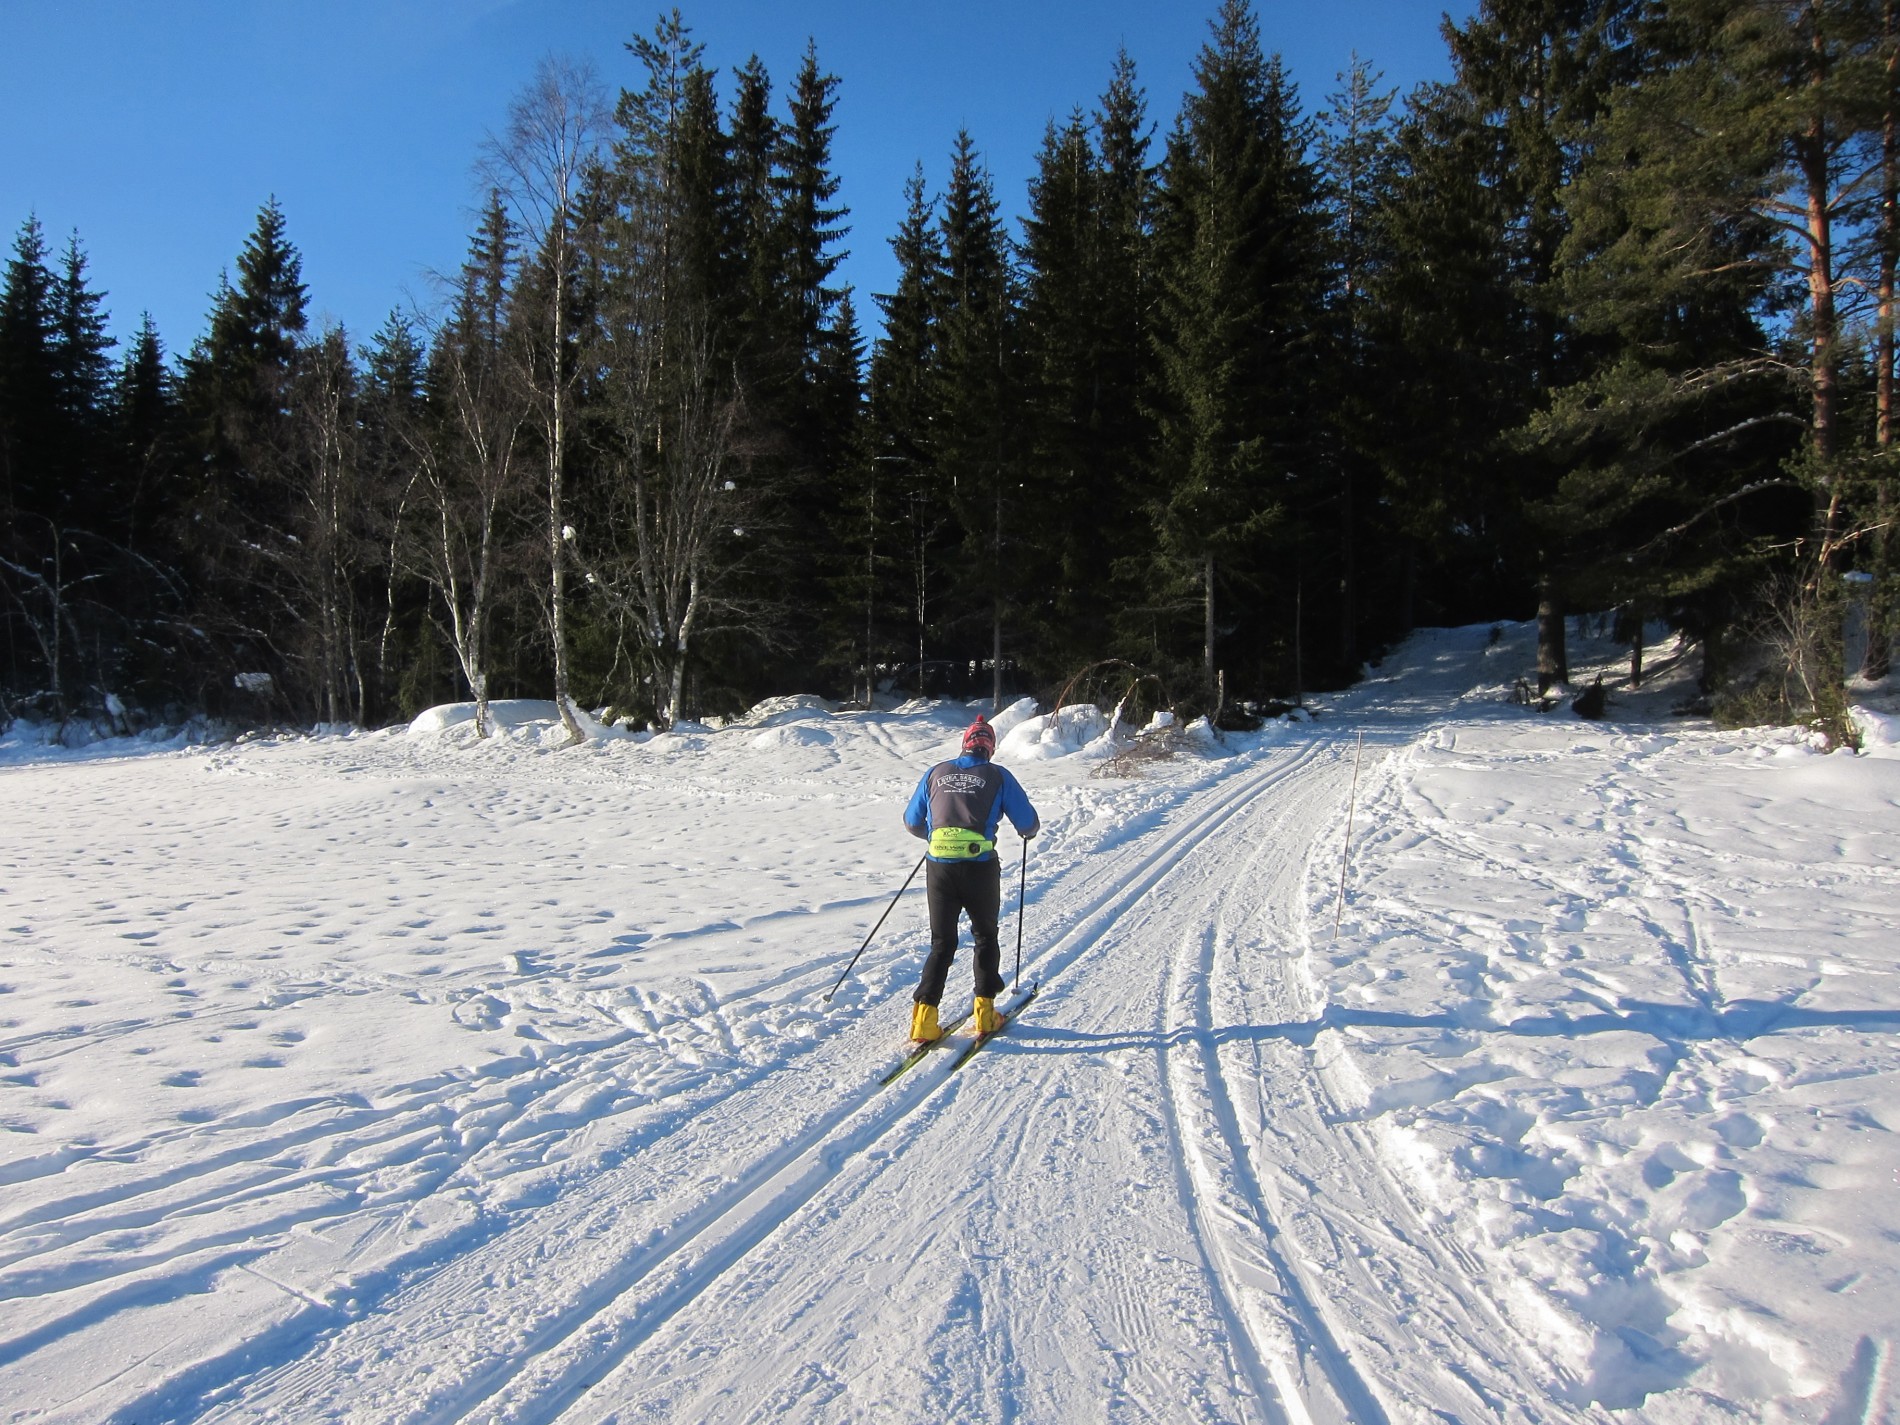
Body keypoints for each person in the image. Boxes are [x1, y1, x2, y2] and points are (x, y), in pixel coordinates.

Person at [902, 713, 1040, 1044]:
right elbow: (1028, 825)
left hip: (939, 868)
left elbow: (911, 821)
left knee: (942, 942)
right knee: (984, 937)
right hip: (979, 868)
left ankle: (924, 1020)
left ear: (964, 744)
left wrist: (939, 839)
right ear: (989, 748)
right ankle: (985, 1014)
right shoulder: (998, 776)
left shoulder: (935, 772)